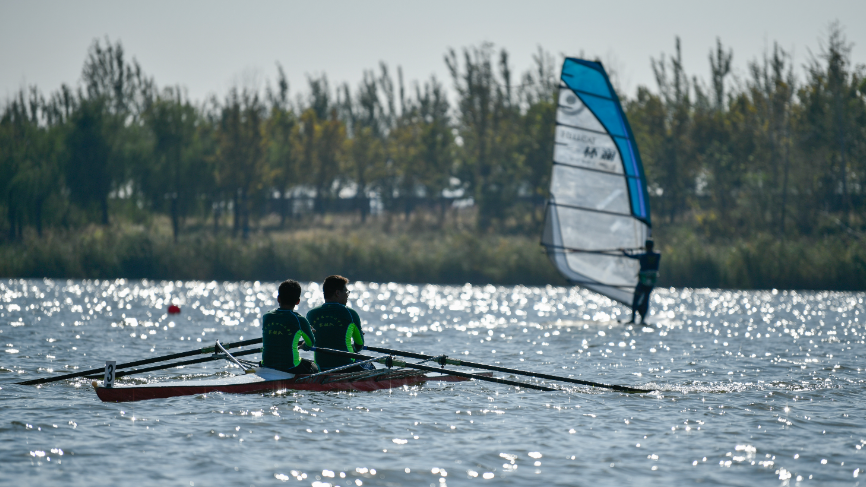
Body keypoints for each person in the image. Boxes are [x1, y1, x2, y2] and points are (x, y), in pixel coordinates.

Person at [306, 275, 371, 373]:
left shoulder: (311, 314)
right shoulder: (351, 313)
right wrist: (354, 342)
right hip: (347, 367)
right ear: (337, 293)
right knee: (369, 365)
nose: (347, 295)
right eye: (346, 291)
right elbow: (359, 346)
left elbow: (308, 344)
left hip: (321, 369)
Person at [260, 280, 318, 374]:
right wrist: (305, 345)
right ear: (298, 301)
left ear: (278, 299)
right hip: (290, 368)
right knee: (314, 367)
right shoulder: (300, 320)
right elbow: (311, 343)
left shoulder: (267, 316)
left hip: (266, 366)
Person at [622, 239, 662, 325]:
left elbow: (630, 256)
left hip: (643, 282)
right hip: (651, 282)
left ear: (646, 246)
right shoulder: (657, 255)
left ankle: (633, 319)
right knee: (646, 299)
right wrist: (646, 249)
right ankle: (642, 320)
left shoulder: (642, 256)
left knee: (636, 299)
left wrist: (624, 251)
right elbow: (658, 252)